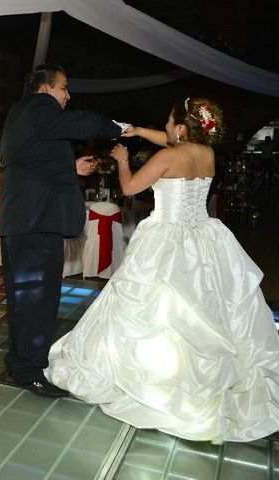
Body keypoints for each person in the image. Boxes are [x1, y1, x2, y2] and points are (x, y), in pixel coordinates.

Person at [45, 98, 279, 443]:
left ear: (182, 128)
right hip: (202, 236)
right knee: (208, 306)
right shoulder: (206, 153)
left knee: (154, 307)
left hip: (167, 239)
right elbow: (170, 143)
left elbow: (129, 188)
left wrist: (123, 161)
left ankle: (155, 381)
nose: (166, 127)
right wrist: (139, 131)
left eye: (170, 122)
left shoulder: (168, 157)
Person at [0, 63, 124, 397]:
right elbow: (81, 122)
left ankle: (19, 362)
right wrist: (119, 128)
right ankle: (32, 371)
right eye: (63, 88)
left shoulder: (22, 115)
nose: (68, 96)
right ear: (45, 90)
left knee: (23, 300)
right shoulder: (39, 106)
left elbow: (30, 160)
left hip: (22, 221)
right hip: (36, 222)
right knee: (39, 301)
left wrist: (71, 165)